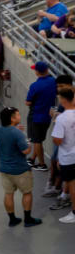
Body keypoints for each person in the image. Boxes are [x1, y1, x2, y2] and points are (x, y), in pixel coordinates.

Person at [0, 107, 41, 226]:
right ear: (12, 118)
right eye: (18, 115)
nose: (20, 116)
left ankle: (12, 219)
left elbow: (6, 138)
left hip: (4, 169)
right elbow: (26, 151)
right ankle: (28, 219)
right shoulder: (17, 133)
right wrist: (27, 142)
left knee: (8, 194)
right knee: (27, 193)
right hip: (20, 170)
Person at [26, 61, 57, 171]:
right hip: (48, 116)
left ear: (37, 72)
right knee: (39, 139)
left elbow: (28, 102)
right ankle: (33, 158)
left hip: (36, 116)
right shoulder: (53, 81)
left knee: (36, 141)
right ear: (47, 70)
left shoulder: (35, 86)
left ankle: (42, 164)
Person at [50, 86, 75, 223]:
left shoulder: (62, 118)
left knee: (72, 185)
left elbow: (58, 140)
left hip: (69, 157)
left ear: (63, 100)